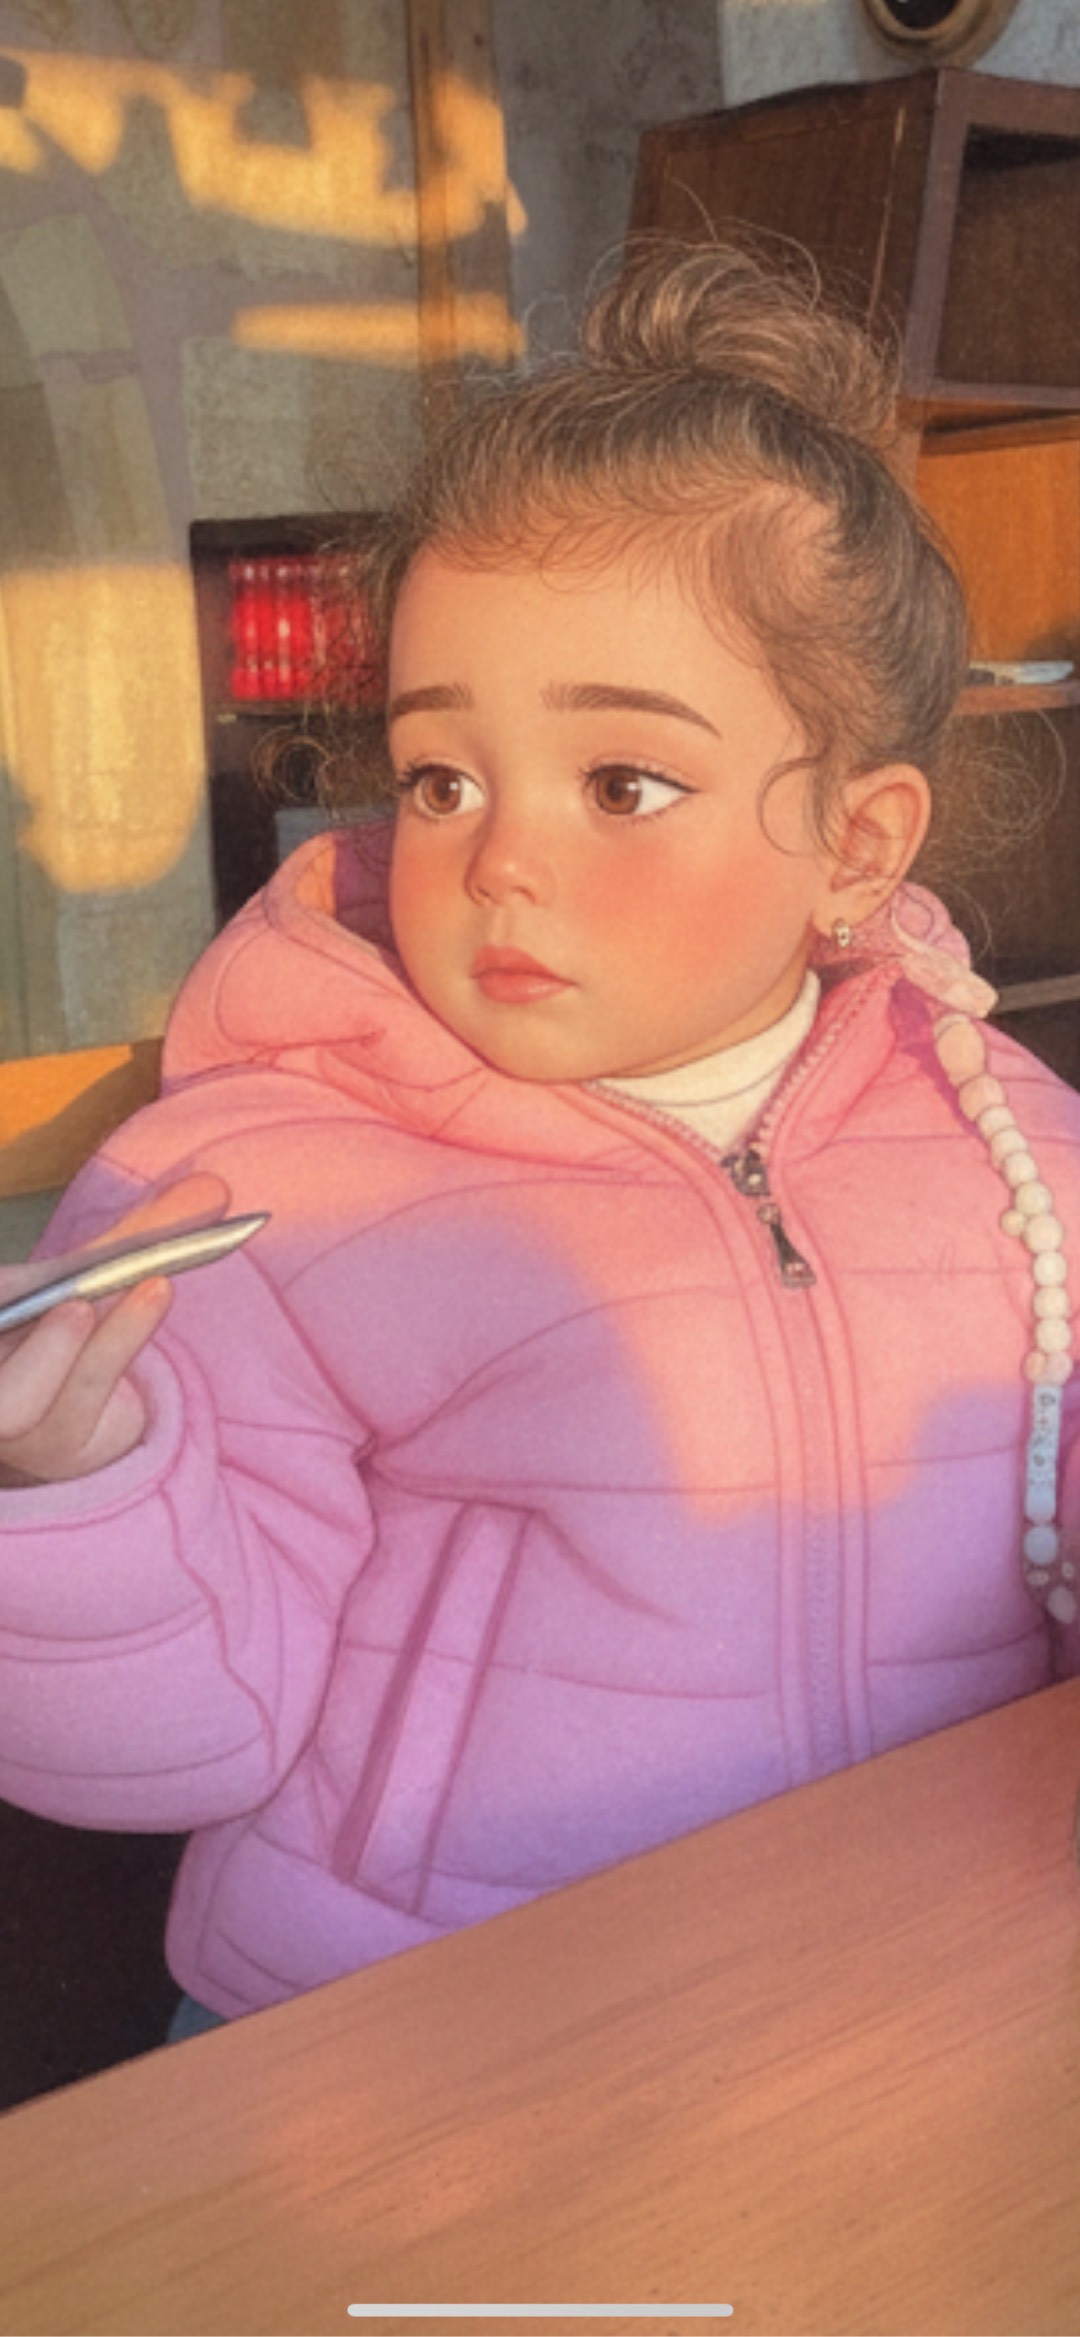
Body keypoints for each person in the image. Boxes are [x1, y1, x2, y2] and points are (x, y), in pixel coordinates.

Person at [0, 240, 1078, 2037]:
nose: (499, 858)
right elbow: (177, 1742)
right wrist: (67, 1491)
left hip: (900, 2025)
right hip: (405, 2053)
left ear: (858, 844)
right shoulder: (273, 1189)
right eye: (442, 777)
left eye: (621, 782)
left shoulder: (1014, 1154)